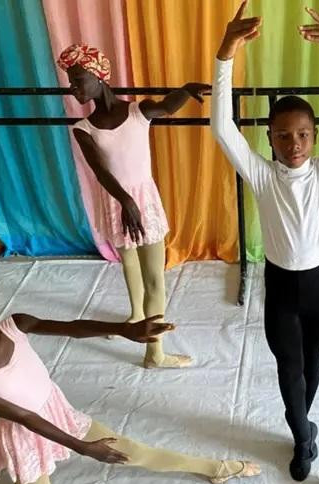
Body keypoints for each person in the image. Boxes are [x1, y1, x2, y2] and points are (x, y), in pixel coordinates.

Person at [211, 1, 319, 481]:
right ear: (270, 140)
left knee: (313, 359)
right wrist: (225, 55)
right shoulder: (262, 177)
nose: (294, 143)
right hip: (281, 286)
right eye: (284, 136)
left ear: (316, 136)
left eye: (303, 134)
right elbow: (222, 127)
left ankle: (302, 423)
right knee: (289, 368)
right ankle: (303, 439)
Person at [0, 288, 260, 484]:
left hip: (59, 414)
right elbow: (24, 416)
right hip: (25, 436)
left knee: (135, 452)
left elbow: (71, 328)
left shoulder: (14, 326)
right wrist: (82, 448)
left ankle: (217, 468)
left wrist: (124, 329)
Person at [57, 43, 211, 368]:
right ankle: (137, 317)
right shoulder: (83, 129)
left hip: (144, 203)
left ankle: (154, 352)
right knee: (129, 266)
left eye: (77, 80)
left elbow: (167, 106)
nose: (73, 88)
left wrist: (184, 90)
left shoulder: (137, 113)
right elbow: (100, 171)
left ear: (99, 76)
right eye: (71, 81)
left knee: (155, 276)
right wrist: (125, 201)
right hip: (117, 204)